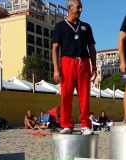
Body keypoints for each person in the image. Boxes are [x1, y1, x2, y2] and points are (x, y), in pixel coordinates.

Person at [52, 0, 96, 135]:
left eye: (81, 7)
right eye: (78, 7)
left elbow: (92, 48)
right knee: (66, 95)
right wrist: (56, 69)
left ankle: (85, 125)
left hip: (83, 62)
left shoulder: (86, 27)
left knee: (85, 96)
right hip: (67, 62)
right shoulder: (60, 26)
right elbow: (55, 49)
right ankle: (67, 125)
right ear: (69, 8)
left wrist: (94, 67)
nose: (80, 10)